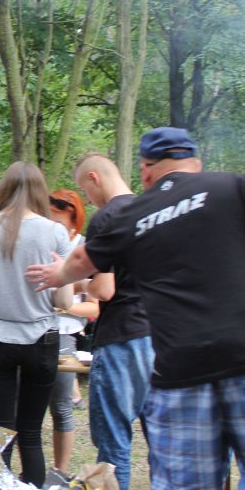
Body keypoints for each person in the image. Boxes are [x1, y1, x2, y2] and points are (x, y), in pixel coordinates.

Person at [28, 127, 245, 489]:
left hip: (172, 362)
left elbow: (87, 268)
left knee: (147, 459)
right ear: (196, 162)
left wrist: (58, 275)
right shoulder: (230, 187)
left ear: (145, 170)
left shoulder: (133, 214)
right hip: (228, 352)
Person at [0, 162, 73, 488]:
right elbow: (65, 301)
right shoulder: (56, 233)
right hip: (42, 340)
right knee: (31, 432)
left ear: (4, 189)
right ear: (40, 191)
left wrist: (0, 293)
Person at [70, 152, 152, 490]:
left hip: (120, 338)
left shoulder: (106, 218)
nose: (88, 200)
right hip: (158, 337)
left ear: (94, 178)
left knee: (114, 447)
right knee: (161, 442)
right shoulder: (153, 210)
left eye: (85, 191)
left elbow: (104, 289)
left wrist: (77, 283)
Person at [46, 189, 98, 478]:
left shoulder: (85, 250)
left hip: (65, 335)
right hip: (32, 331)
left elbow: (95, 306)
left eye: (59, 223)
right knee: (23, 407)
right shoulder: (39, 241)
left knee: (62, 407)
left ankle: (60, 472)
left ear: (74, 224)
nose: (53, 227)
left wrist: (65, 304)